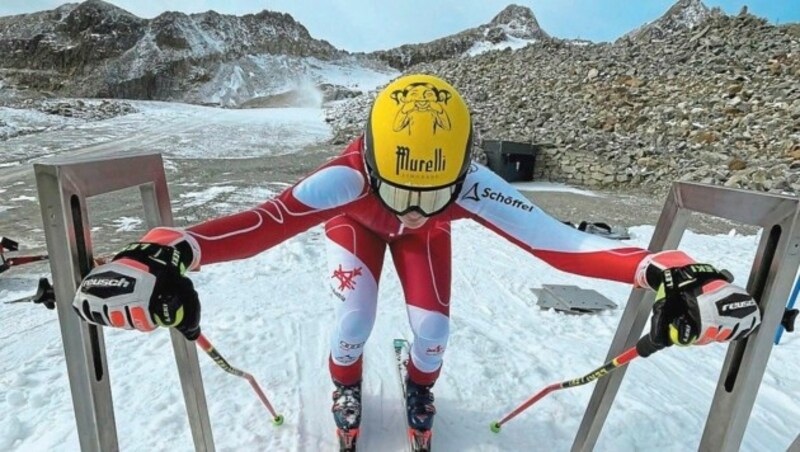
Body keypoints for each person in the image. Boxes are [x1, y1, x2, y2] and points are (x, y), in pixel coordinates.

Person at [72, 74, 761, 441]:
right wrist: (170, 250)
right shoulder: (346, 176)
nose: (411, 207)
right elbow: (264, 222)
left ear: (462, 168)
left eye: (432, 193)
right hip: (354, 230)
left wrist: (669, 268)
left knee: (433, 332)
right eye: (398, 187)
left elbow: (566, 244)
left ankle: (419, 386)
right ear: (368, 157)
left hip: (420, 247)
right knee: (356, 316)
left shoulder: (471, 184)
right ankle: (347, 379)